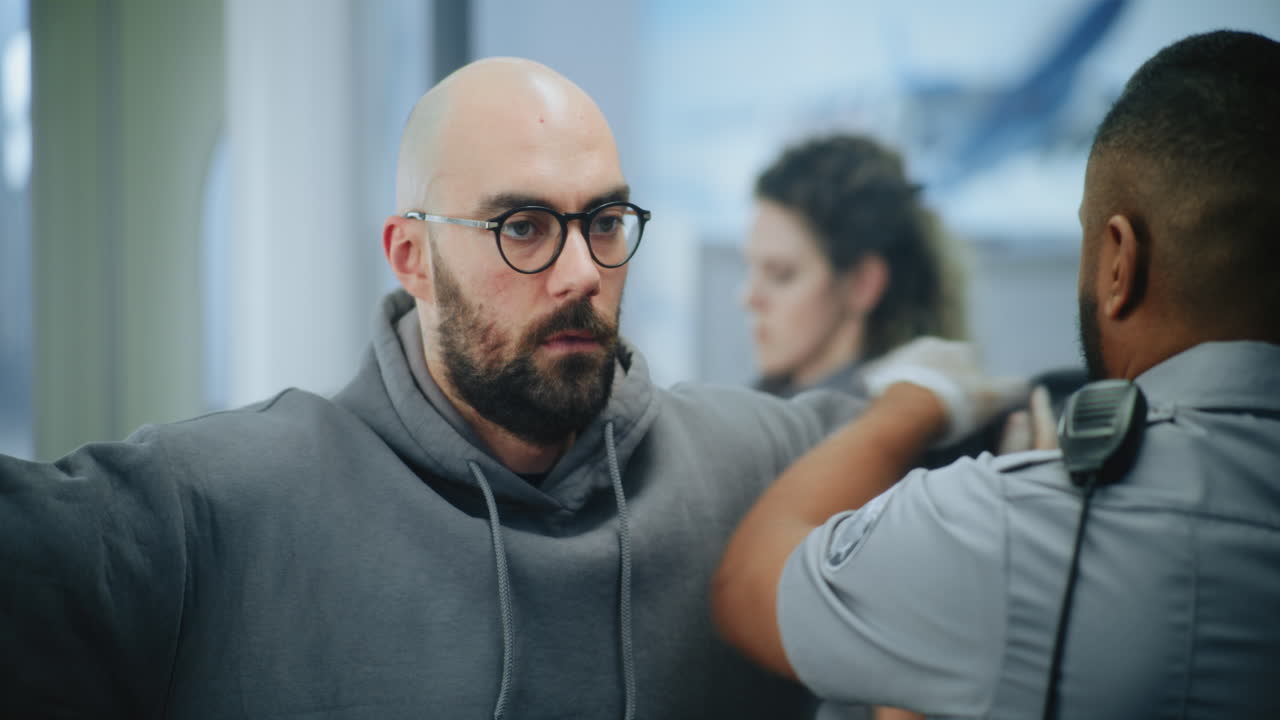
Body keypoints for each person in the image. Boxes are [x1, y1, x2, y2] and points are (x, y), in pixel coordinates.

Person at [0, 57, 1020, 719]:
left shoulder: (740, 465)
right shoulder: (212, 507)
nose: (580, 270)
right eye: (520, 227)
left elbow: (961, 447)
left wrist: (936, 395)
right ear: (409, 257)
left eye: (605, 222)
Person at [712, 30, 1280, 719]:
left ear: (1117, 263)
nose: (749, 297)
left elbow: (751, 585)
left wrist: (913, 412)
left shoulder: (1005, 515)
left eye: (780, 273)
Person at [743, 134, 968, 399]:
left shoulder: (883, 425)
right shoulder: (766, 405)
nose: (749, 298)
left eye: (781, 275)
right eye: (752, 268)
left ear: (861, 283)